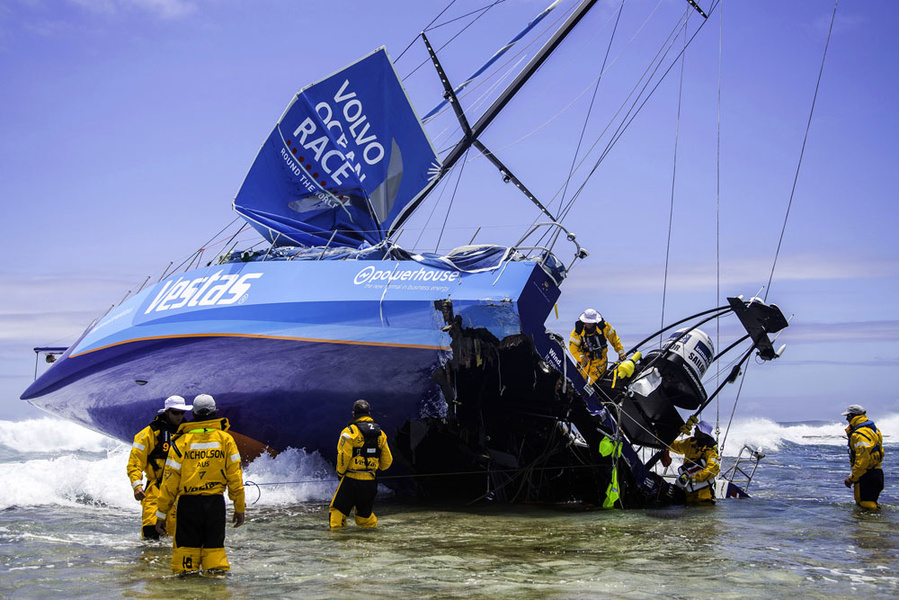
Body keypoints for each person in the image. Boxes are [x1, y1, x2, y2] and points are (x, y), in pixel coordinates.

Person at [155, 394, 245, 574]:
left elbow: (169, 482)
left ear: (193, 414)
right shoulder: (225, 440)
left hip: (188, 505)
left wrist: (161, 515)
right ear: (214, 413)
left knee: (185, 556)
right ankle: (215, 587)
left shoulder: (181, 442)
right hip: (215, 505)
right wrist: (239, 508)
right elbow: (235, 477)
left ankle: (187, 586)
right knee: (215, 551)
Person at [126, 395, 191, 539]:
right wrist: (137, 486)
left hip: (181, 493)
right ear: (166, 412)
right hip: (156, 490)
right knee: (151, 535)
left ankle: (166, 561)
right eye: (175, 412)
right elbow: (135, 462)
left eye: (182, 413)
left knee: (177, 538)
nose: (179, 416)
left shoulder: (188, 433)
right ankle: (149, 560)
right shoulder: (149, 433)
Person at [329, 399, 393, 529]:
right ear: (368, 413)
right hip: (370, 482)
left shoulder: (349, 432)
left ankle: (339, 543)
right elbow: (387, 462)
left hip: (351, 481)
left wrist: (340, 473)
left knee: (337, 514)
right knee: (364, 517)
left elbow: (343, 457)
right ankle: (371, 541)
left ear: (354, 414)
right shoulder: (380, 434)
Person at [666, 420, 720, 504]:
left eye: (697, 428)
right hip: (688, 494)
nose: (694, 429)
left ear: (702, 433)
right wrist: (669, 433)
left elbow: (711, 470)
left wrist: (691, 478)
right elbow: (674, 445)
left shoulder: (711, 450)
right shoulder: (689, 443)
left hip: (704, 498)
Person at [569, 308, 627, 384]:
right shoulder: (578, 331)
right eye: (586, 322)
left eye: (590, 322)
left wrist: (621, 352)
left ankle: (594, 394)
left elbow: (615, 340)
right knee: (578, 382)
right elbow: (573, 346)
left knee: (595, 384)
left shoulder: (605, 328)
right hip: (585, 360)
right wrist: (581, 358)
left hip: (600, 360)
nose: (588, 324)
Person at [843, 404, 884, 510]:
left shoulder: (859, 433)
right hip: (877, 473)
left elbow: (862, 459)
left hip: (866, 476)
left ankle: (870, 527)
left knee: (866, 508)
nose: (847, 419)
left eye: (848, 416)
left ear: (854, 415)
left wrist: (852, 478)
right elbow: (880, 453)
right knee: (871, 507)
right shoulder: (874, 430)